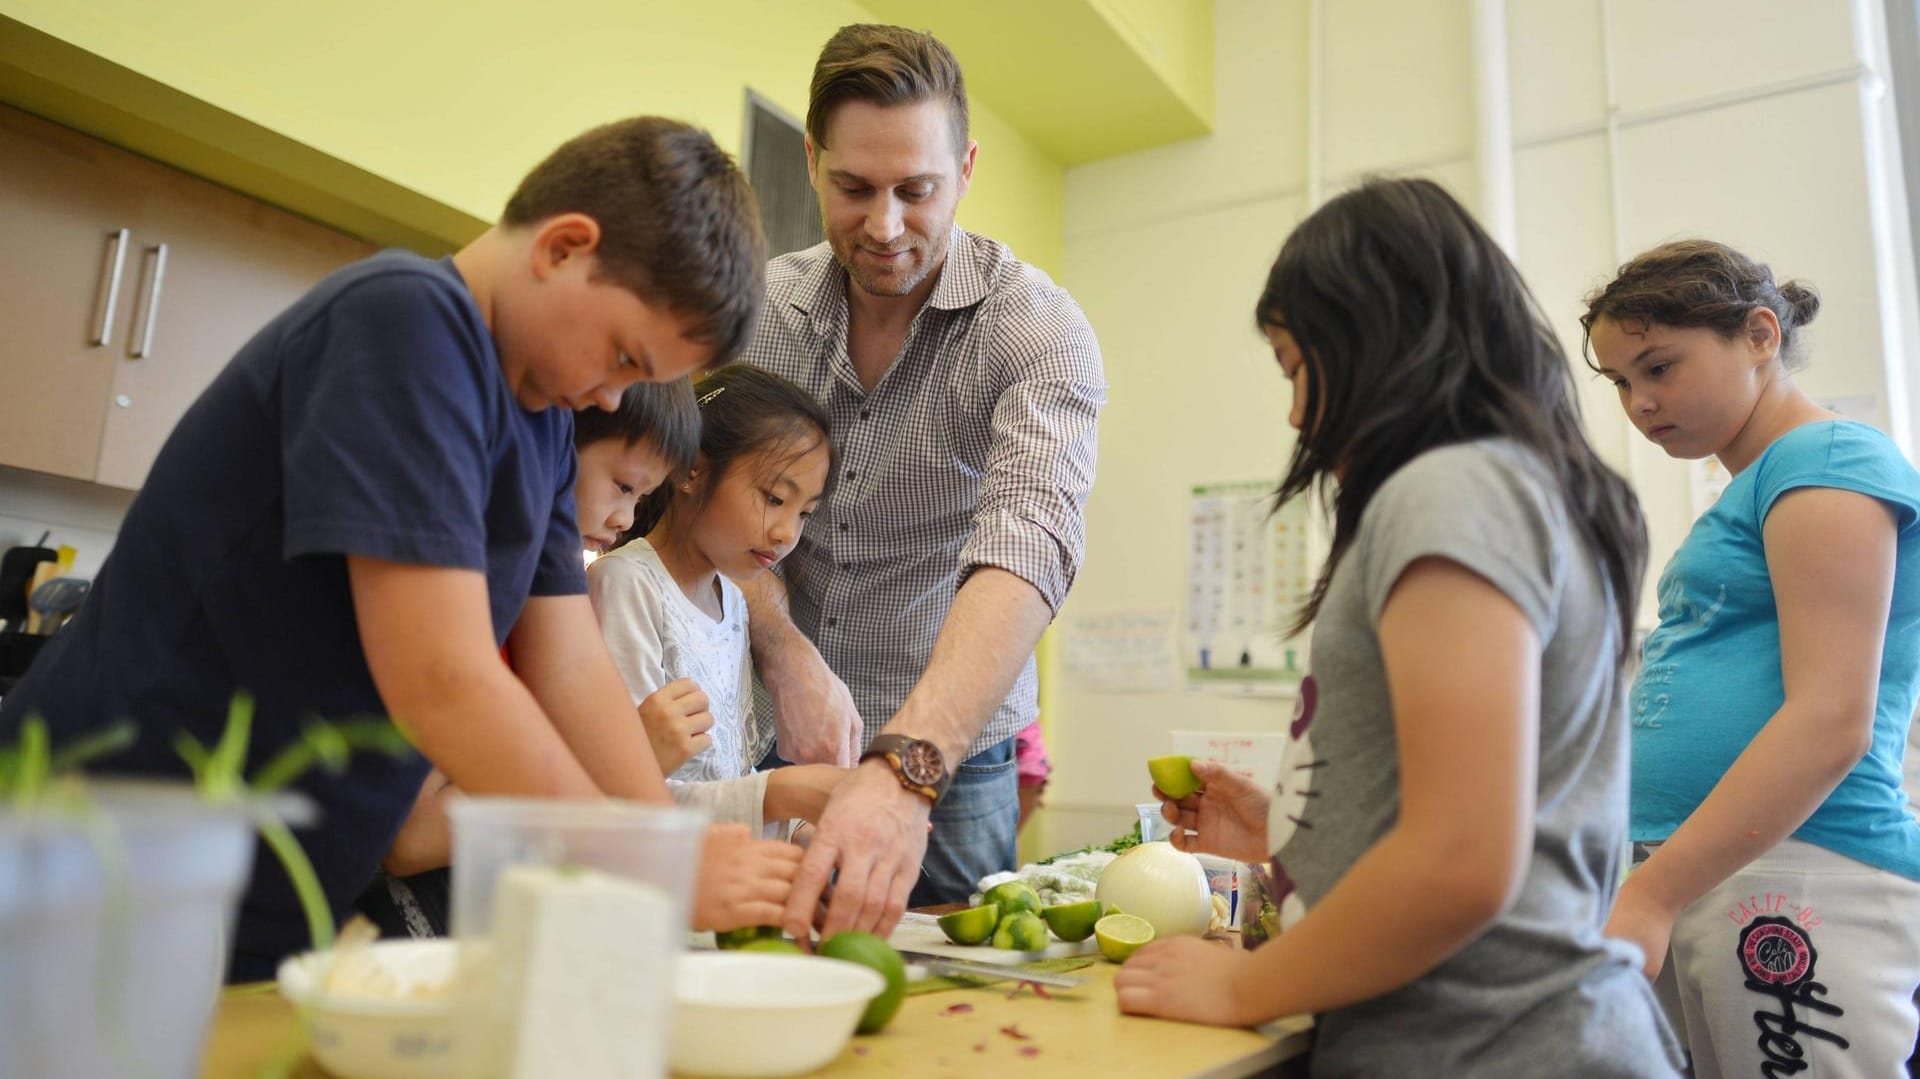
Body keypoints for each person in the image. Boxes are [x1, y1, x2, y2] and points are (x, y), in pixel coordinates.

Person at [0, 115, 774, 981]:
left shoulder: (548, 426)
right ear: (563, 247)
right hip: (92, 862)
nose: (608, 394)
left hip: (254, 902)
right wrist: (644, 862)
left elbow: (571, 666)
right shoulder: (406, 322)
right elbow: (440, 676)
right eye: (623, 356)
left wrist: (668, 844)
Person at [1114, 178, 1683, 1078]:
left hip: (1497, 1046)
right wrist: (1294, 828)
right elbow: (1482, 811)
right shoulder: (1515, 486)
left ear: (1379, 338)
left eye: (1299, 366)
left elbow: (1460, 858)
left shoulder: (1451, 488)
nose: (1297, 412)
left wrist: (1236, 988)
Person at [738, 23, 1107, 936]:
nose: (886, 226)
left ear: (968, 167)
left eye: (918, 190)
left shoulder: (1036, 330)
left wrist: (906, 766)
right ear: (813, 159)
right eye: (854, 188)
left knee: (959, 993)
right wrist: (783, 649)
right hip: (778, 737)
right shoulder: (760, 317)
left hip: (955, 762)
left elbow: (1029, 542)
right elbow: (698, 513)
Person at [1586, 240, 1920, 1076]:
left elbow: (1830, 718)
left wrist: (1655, 893)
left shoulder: (1829, 460)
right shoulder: (1763, 481)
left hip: (1802, 864)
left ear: (1761, 334)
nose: (1640, 402)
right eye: (1621, 381)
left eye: (1660, 366)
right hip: (1714, 863)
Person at [592, 363, 846, 831]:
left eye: (805, 512)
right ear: (692, 471)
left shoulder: (730, 598)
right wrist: (780, 794)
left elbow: (729, 776)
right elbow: (624, 790)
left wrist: (800, 832)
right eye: (774, 498)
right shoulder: (628, 586)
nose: (786, 532)